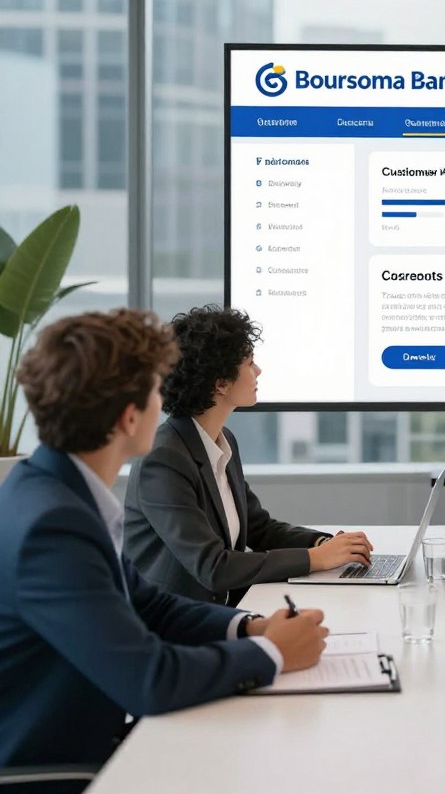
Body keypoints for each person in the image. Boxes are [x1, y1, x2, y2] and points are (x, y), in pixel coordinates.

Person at [0, 309, 328, 778]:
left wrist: (253, 628)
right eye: (156, 390)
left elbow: (152, 607)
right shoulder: (52, 526)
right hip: (56, 772)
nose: (166, 401)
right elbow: (150, 680)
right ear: (129, 418)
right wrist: (273, 654)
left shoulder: (59, 494)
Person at [124, 305, 373, 605]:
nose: (258, 371)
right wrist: (314, 558)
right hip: (172, 627)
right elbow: (213, 567)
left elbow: (259, 528)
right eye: (250, 363)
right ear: (220, 383)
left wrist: (323, 543)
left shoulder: (222, 440)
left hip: (220, 612)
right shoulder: (163, 459)